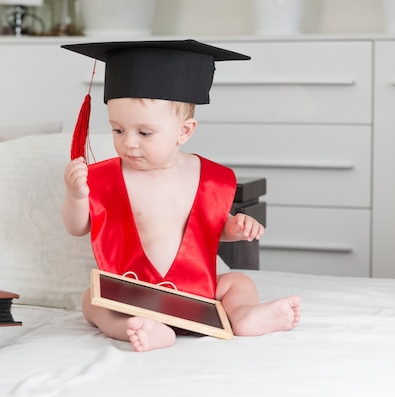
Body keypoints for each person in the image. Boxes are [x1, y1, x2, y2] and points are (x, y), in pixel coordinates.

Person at [61, 40, 301, 352]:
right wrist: (76, 195)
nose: (129, 143)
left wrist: (235, 227)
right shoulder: (105, 178)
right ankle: (139, 328)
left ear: (184, 131)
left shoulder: (208, 176)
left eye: (144, 133)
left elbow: (210, 225)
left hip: (196, 292)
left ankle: (243, 315)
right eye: (118, 130)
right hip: (134, 292)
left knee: (239, 283)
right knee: (91, 300)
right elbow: (78, 227)